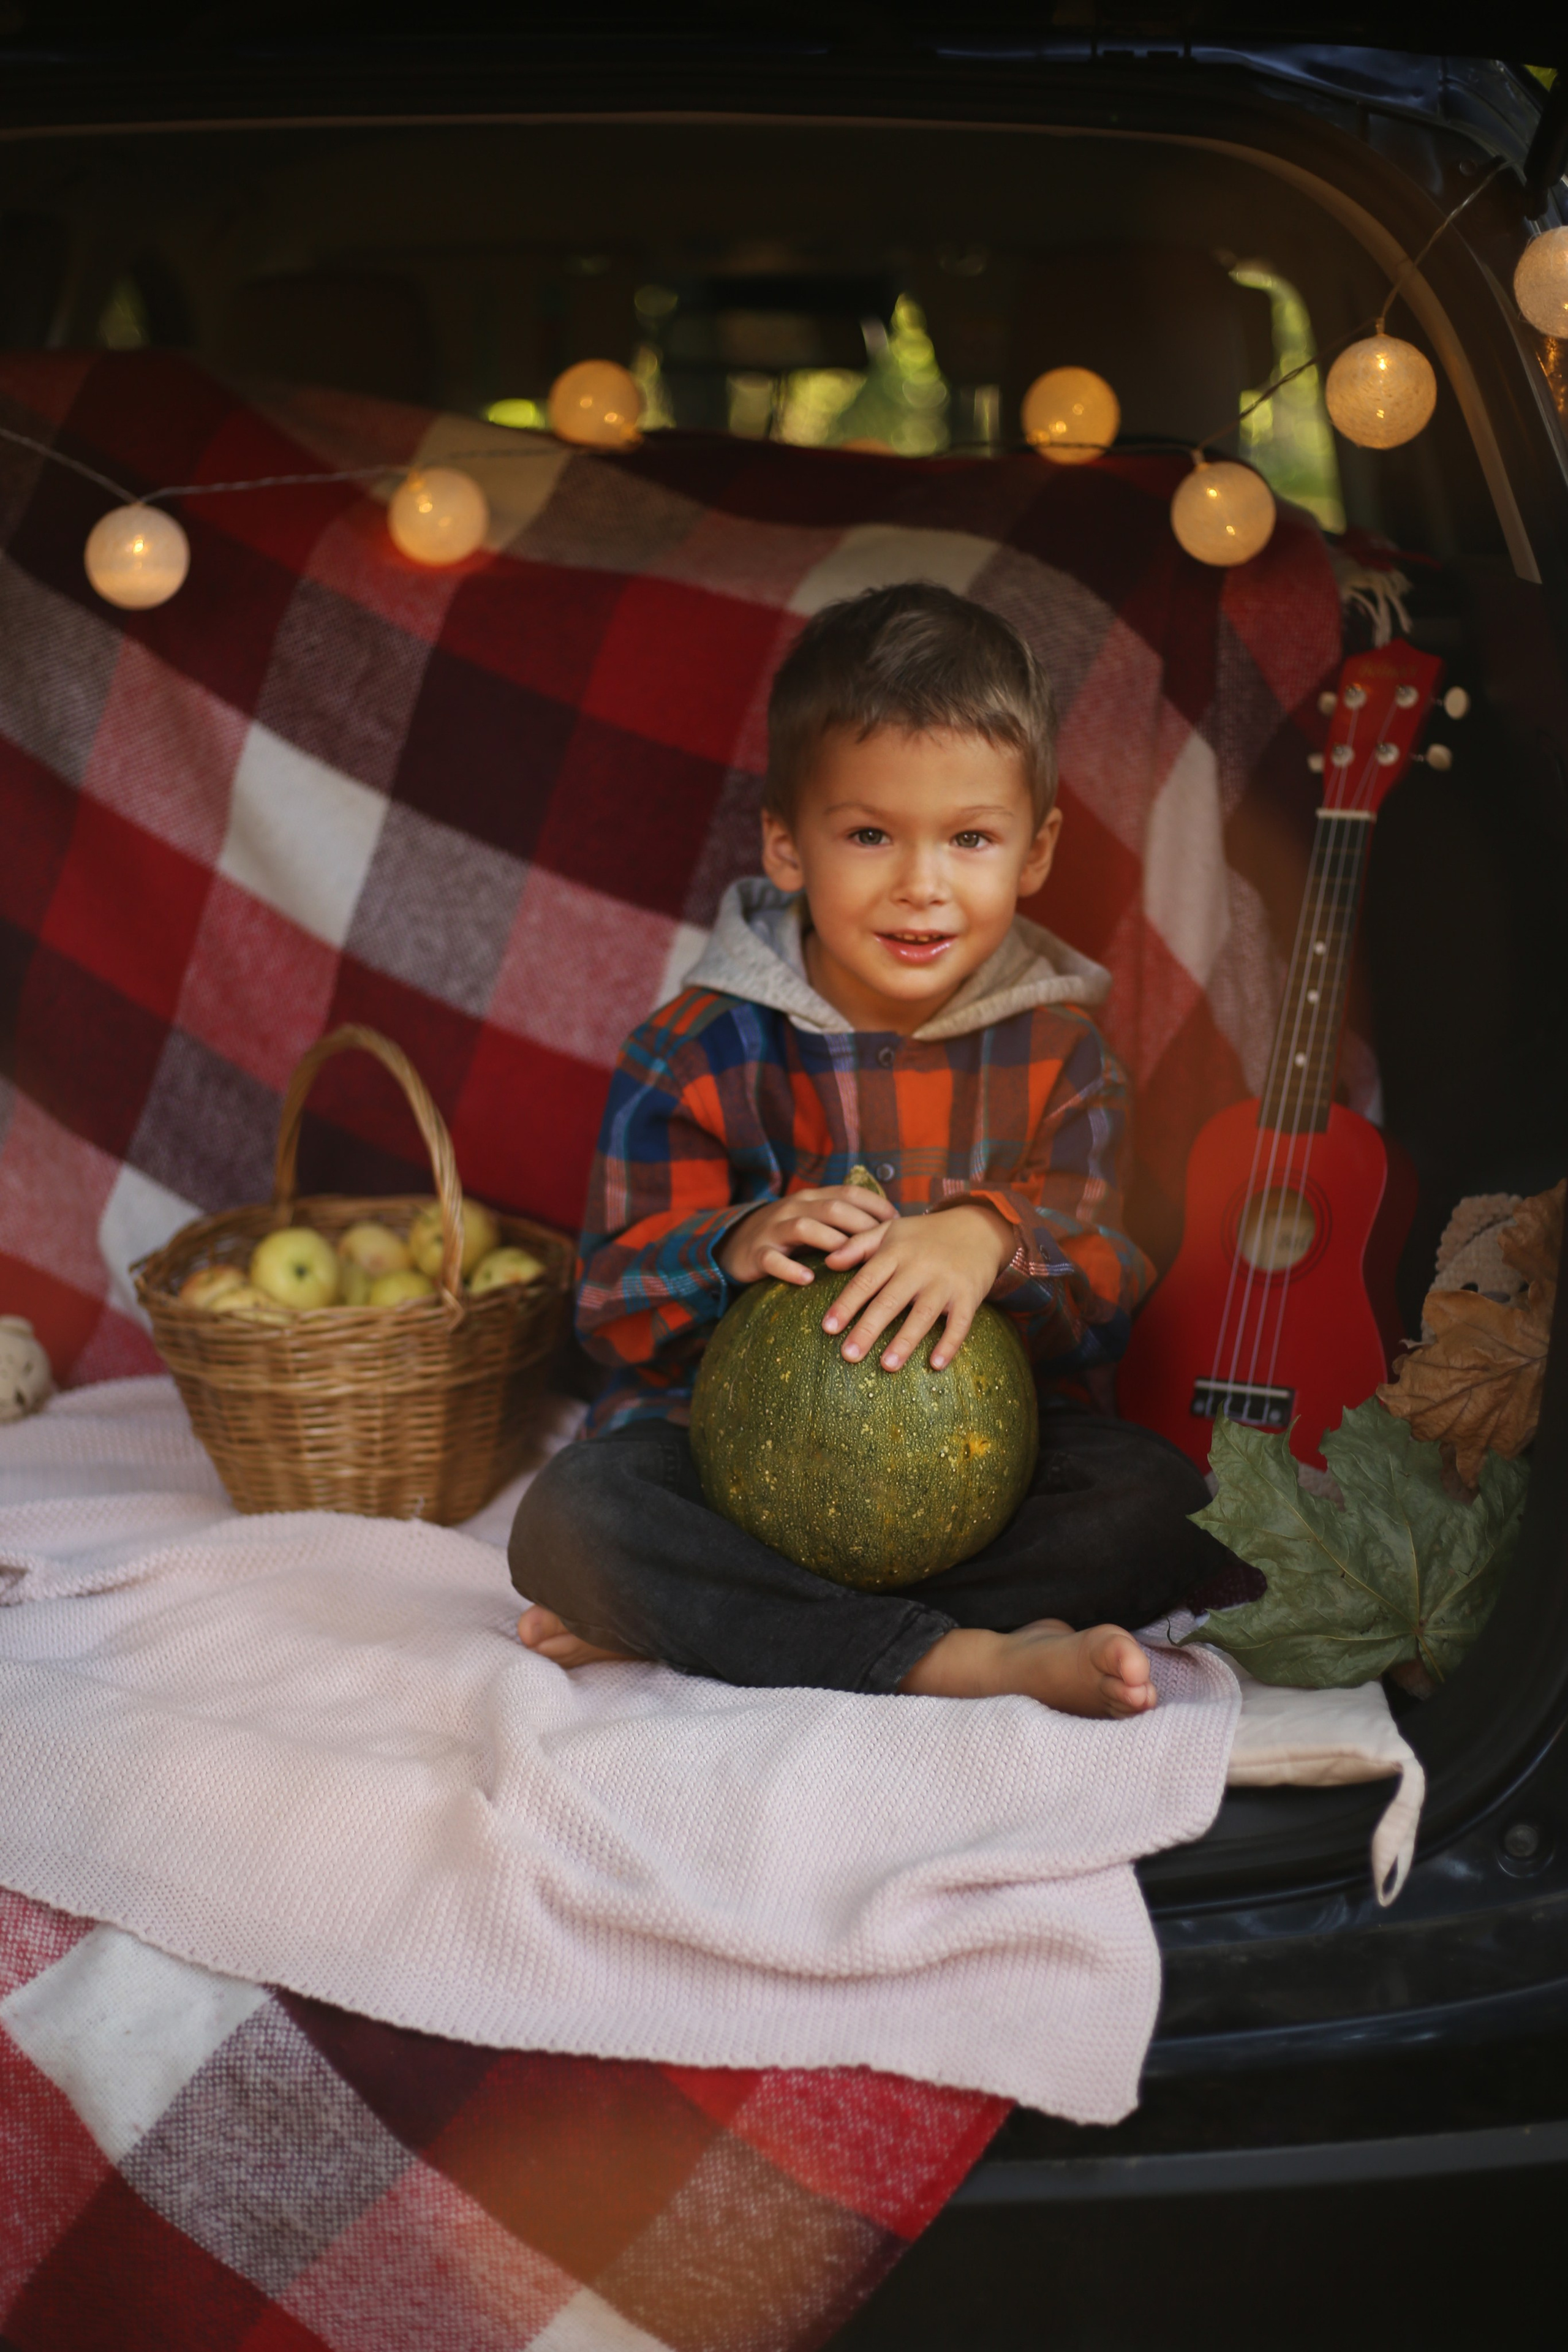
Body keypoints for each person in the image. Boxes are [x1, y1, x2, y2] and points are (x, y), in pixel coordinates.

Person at [511, 582, 1237, 1718]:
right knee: (574, 1518)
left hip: (986, 1487)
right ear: (787, 845)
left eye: (971, 838)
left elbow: (1106, 1293)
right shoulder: (692, 1051)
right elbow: (607, 1301)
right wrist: (739, 1242)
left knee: (1163, 1499)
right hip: (728, 1475)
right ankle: (957, 1656)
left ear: (1035, 851)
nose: (922, 884)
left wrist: (988, 1239)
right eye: (868, 835)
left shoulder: (1064, 1055)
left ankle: (725, 1626)